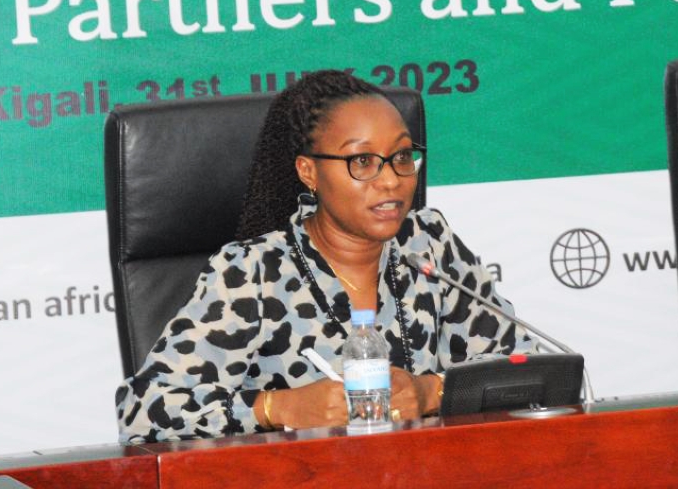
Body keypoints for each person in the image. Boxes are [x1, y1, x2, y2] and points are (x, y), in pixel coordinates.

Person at [116, 71, 531, 442]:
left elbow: (527, 365)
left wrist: (431, 391)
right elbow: (143, 410)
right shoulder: (254, 273)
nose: (390, 180)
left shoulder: (426, 244)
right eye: (362, 161)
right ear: (309, 171)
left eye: (402, 156)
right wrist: (277, 409)